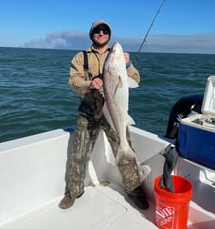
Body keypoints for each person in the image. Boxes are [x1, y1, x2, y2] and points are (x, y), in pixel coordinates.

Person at [59, 20, 149, 210]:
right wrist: (89, 84)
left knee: (126, 153)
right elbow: (73, 82)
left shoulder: (119, 58)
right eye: (97, 31)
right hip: (88, 113)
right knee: (79, 155)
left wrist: (128, 64)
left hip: (114, 113)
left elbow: (136, 80)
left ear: (109, 34)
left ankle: (135, 191)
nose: (101, 33)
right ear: (91, 34)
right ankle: (73, 192)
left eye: (105, 30)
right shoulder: (79, 57)